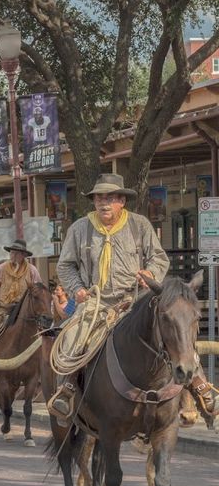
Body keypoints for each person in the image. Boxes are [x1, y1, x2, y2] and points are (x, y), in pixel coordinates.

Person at [47, 173, 181, 422]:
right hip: (95, 304)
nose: (103, 203)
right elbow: (65, 266)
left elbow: (159, 257)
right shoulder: (80, 229)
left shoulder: (140, 225)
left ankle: (196, 391)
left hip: (135, 303)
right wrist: (77, 288)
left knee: (175, 333)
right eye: (99, 198)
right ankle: (65, 391)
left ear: (122, 201)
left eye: (110, 198)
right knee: (72, 339)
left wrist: (151, 273)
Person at [0, 239, 41, 380]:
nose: (13, 255)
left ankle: (41, 366)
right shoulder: (1, 268)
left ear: (23, 255)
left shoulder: (32, 270)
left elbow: (38, 290)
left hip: (25, 311)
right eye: (11, 252)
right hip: (3, 310)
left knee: (42, 333)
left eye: (16, 253)